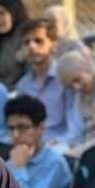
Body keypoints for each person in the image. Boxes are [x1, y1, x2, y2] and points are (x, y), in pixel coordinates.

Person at [15, 18, 84, 146]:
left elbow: (76, 127)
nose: (31, 46)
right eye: (26, 42)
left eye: (38, 41)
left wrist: (58, 143)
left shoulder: (66, 77)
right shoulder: (23, 86)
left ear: (54, 44)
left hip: (62, 144)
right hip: (31, 147)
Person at [5, 96, 73, 188]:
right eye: (11, 128)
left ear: (40, 128)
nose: (15, 135)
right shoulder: (11, 162)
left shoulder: (55, 163)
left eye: (22, 127)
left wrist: (19, 169)